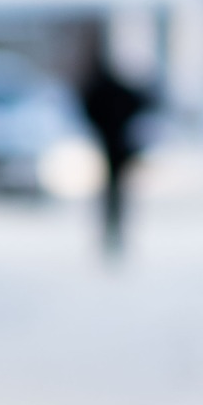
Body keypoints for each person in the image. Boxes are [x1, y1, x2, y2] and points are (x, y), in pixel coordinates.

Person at [76, 32, 151, 257]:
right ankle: (112, 233)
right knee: (114, 192)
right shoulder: (115, 90)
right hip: (115, 145)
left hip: (113, 145)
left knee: (113, 192)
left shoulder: (106, 89)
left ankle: (112, 233)